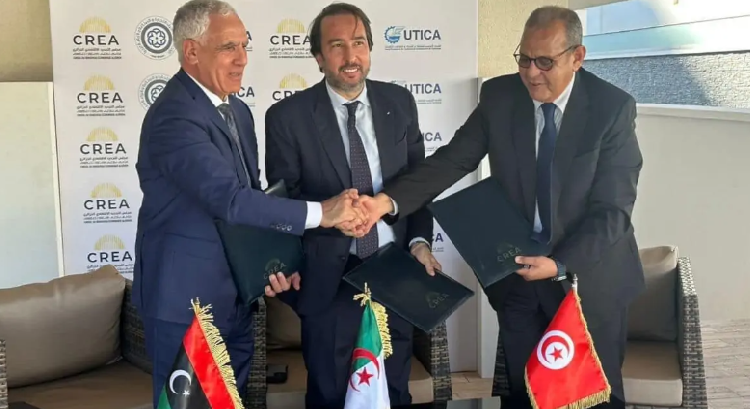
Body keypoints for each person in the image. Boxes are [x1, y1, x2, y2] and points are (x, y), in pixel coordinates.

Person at [349, 6, 645, 409]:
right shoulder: (500, 96)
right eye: (524, 59)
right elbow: (451, 161)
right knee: (522, 395)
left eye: (545, 62)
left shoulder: (612, 108)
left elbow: (613, 210)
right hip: (518, 278)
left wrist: (559, 263)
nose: (532, 73)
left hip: (587, 280)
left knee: (592, 399)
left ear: (577, 57)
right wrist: (384, 202)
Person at [132, 1, 365, 406]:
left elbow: (255, 200)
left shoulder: (237, 111)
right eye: (228, 47)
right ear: (191, 51)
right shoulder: (174, 116)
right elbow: (231, 200)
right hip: (187, 305)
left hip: (237, 299)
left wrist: (279, 264)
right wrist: (323, 212)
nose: (242, 59)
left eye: (244, 45)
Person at [263, 3, 441, 408]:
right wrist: (330, 218)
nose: (350, 56)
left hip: (394, 271)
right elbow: (285, 203)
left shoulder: (400, 103)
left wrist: (419, 243)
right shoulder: (287, 117)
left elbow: (418, 184)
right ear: (318, 57)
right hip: (328, 276)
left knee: (392, 392)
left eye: (359, 43)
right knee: (331, 394)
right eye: (337, 45)